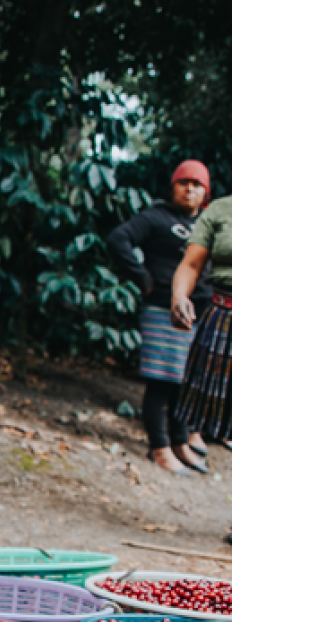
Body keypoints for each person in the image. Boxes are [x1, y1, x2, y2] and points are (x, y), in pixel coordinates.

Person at [106, 161, 213, 473]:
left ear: (205, 192)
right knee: (161, 382)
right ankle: (160, 447)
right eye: (184, 182)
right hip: (164, 309)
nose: (189, 188)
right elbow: (118, 240)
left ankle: (180, 442)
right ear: (173, 186)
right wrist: (143, 278)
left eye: (197, 184)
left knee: (184, 383)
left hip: (199, 314)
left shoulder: (208, 224)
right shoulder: (156, 216)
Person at [172, 196, 232, 446]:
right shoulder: (222, 210)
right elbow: (192, 264)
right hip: (225, 322)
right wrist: (179, 295)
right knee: (208, 418)